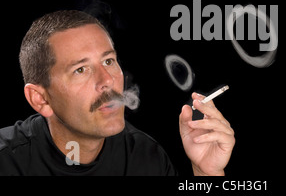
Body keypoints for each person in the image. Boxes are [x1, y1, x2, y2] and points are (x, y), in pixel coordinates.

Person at [0, 10, 235, 175]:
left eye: (109, 61)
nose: (108, 80)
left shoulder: (145, 156)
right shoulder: (6, 161)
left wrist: (207, 172)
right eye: (81, 69)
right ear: (40, 99)